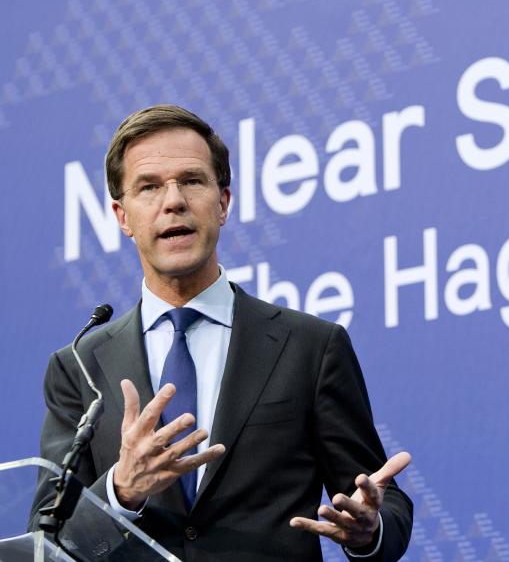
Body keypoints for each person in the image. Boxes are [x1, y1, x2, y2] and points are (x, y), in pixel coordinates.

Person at [30, 105, 413, 561]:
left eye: (192, 181)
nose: (173, 201)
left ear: (223, 203)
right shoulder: (80, 366)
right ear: (122, 217)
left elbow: (379, 495)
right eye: (149, 187)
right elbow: (47, 540)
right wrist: (121, 491)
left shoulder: (310, 347)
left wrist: (370, 530)